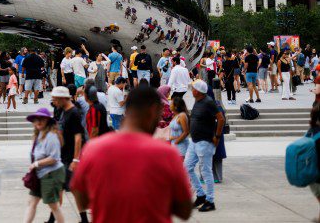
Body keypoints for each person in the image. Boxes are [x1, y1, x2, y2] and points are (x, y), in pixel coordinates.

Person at [71, 86, 193, 223]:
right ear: (153, 110)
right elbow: (184, 211)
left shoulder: (93, 149)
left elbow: (77, 190)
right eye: (159, 114)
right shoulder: (166, 154)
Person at [184, 80, 225, 212]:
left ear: (199, 91)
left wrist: (217, 137)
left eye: (193, 88)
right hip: (194, 141)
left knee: (206, 171)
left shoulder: (208, 102)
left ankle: (210, 200)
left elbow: (221, 119)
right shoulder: (198, 101)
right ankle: (201, 195)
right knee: (187, 167)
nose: (191, 90)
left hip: (205, 142)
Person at [51, 86, 88, 223]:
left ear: (62, 98)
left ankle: (54, 218)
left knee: (70, 188)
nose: (54, 102)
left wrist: (75, 159)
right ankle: (83, 219)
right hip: (63, 155)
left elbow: (78, 137)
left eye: (55, 99)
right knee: (67, 188)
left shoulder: (74, 112)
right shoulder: (62, 111)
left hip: (70, 157)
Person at [23, 107, 66, 223]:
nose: (39, 121)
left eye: (42, 119)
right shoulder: (39, 135)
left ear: (48, 121)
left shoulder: (51, 136)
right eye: (37, 119)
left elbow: (54, 158)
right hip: (40, 173)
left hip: (51, 174)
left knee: (54, 206)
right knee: (31, 202)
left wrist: (36, 163)